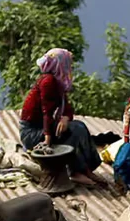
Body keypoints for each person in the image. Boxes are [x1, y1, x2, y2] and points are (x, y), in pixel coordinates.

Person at [19, 48, 107, 186]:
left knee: (80, 126)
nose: (70, 67)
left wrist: (65, 118)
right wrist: (47, 139)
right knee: (72, 131)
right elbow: (46, 112)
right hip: (32, 132)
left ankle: (87, 169)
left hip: (43, 127)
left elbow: (67, 109)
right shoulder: (47, 81)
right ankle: (75, 171)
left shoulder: (58, 82)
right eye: (68, 64)